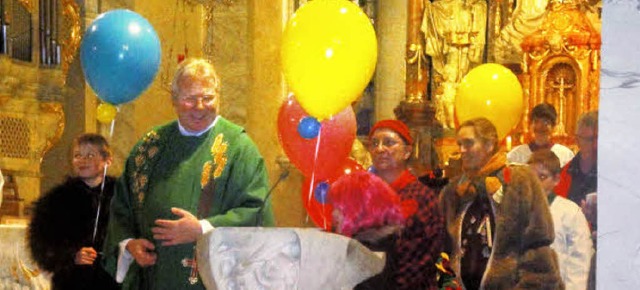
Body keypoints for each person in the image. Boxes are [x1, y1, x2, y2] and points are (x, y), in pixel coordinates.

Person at [102, 58, 275, 289]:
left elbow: (256, 212)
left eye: (208, 97)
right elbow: (122, 208)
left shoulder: (239, 148)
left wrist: (202, 230)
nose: (200, 107)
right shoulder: (150, 147)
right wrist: (129, 245)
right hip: (156, 278)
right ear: (174, 100)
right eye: (190, 99)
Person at [440, 117, 562, 289]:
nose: (462, 150)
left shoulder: (519, 180)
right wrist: (446, 285)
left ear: (489, 145)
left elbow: (537, 245)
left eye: (468, 143)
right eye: (459, 144)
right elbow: (443, 251)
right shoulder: (454, 192)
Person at [28, 133, 118, 290]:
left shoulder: (122, 197)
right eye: (77, 155)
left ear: (107, 160)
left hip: (113, 280)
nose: (82, 160)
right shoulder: (56, 200)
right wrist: (71, 256)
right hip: (73, 281)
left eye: (90, 155)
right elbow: (40, 244)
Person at [367, 119, 444, 289]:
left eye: (388, 143)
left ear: (407, 152)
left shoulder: (421, 197)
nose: (380, 149)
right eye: (374, 143)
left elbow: (420, 261)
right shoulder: (364, 196)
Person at [528, 150, 593, 290]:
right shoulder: (519, 211)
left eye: (542, 177)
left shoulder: (569, 212)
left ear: (556, 180)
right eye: (531, 177)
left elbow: (580, 260)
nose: (535, 183)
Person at [421, 0, 487, 129]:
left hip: (468, 45)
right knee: (449, 81)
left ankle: (464, 118)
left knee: (464, 76)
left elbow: (480, 7)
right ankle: (449, 122)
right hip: (451, 47)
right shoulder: (440, 7)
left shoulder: (477, 6)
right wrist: (433, 10)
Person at [556, 111, 598, 290]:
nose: (596, 145)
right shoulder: (563, 174)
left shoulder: (617, 176)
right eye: (590, 139)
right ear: (577, 140)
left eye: (600, 138)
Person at [507, 103, 575, 167]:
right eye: (536, 121)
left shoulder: (564, 154)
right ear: (530, 125)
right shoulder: (517, 154)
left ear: (553, 126)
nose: (540, 126)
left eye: (545, 122)